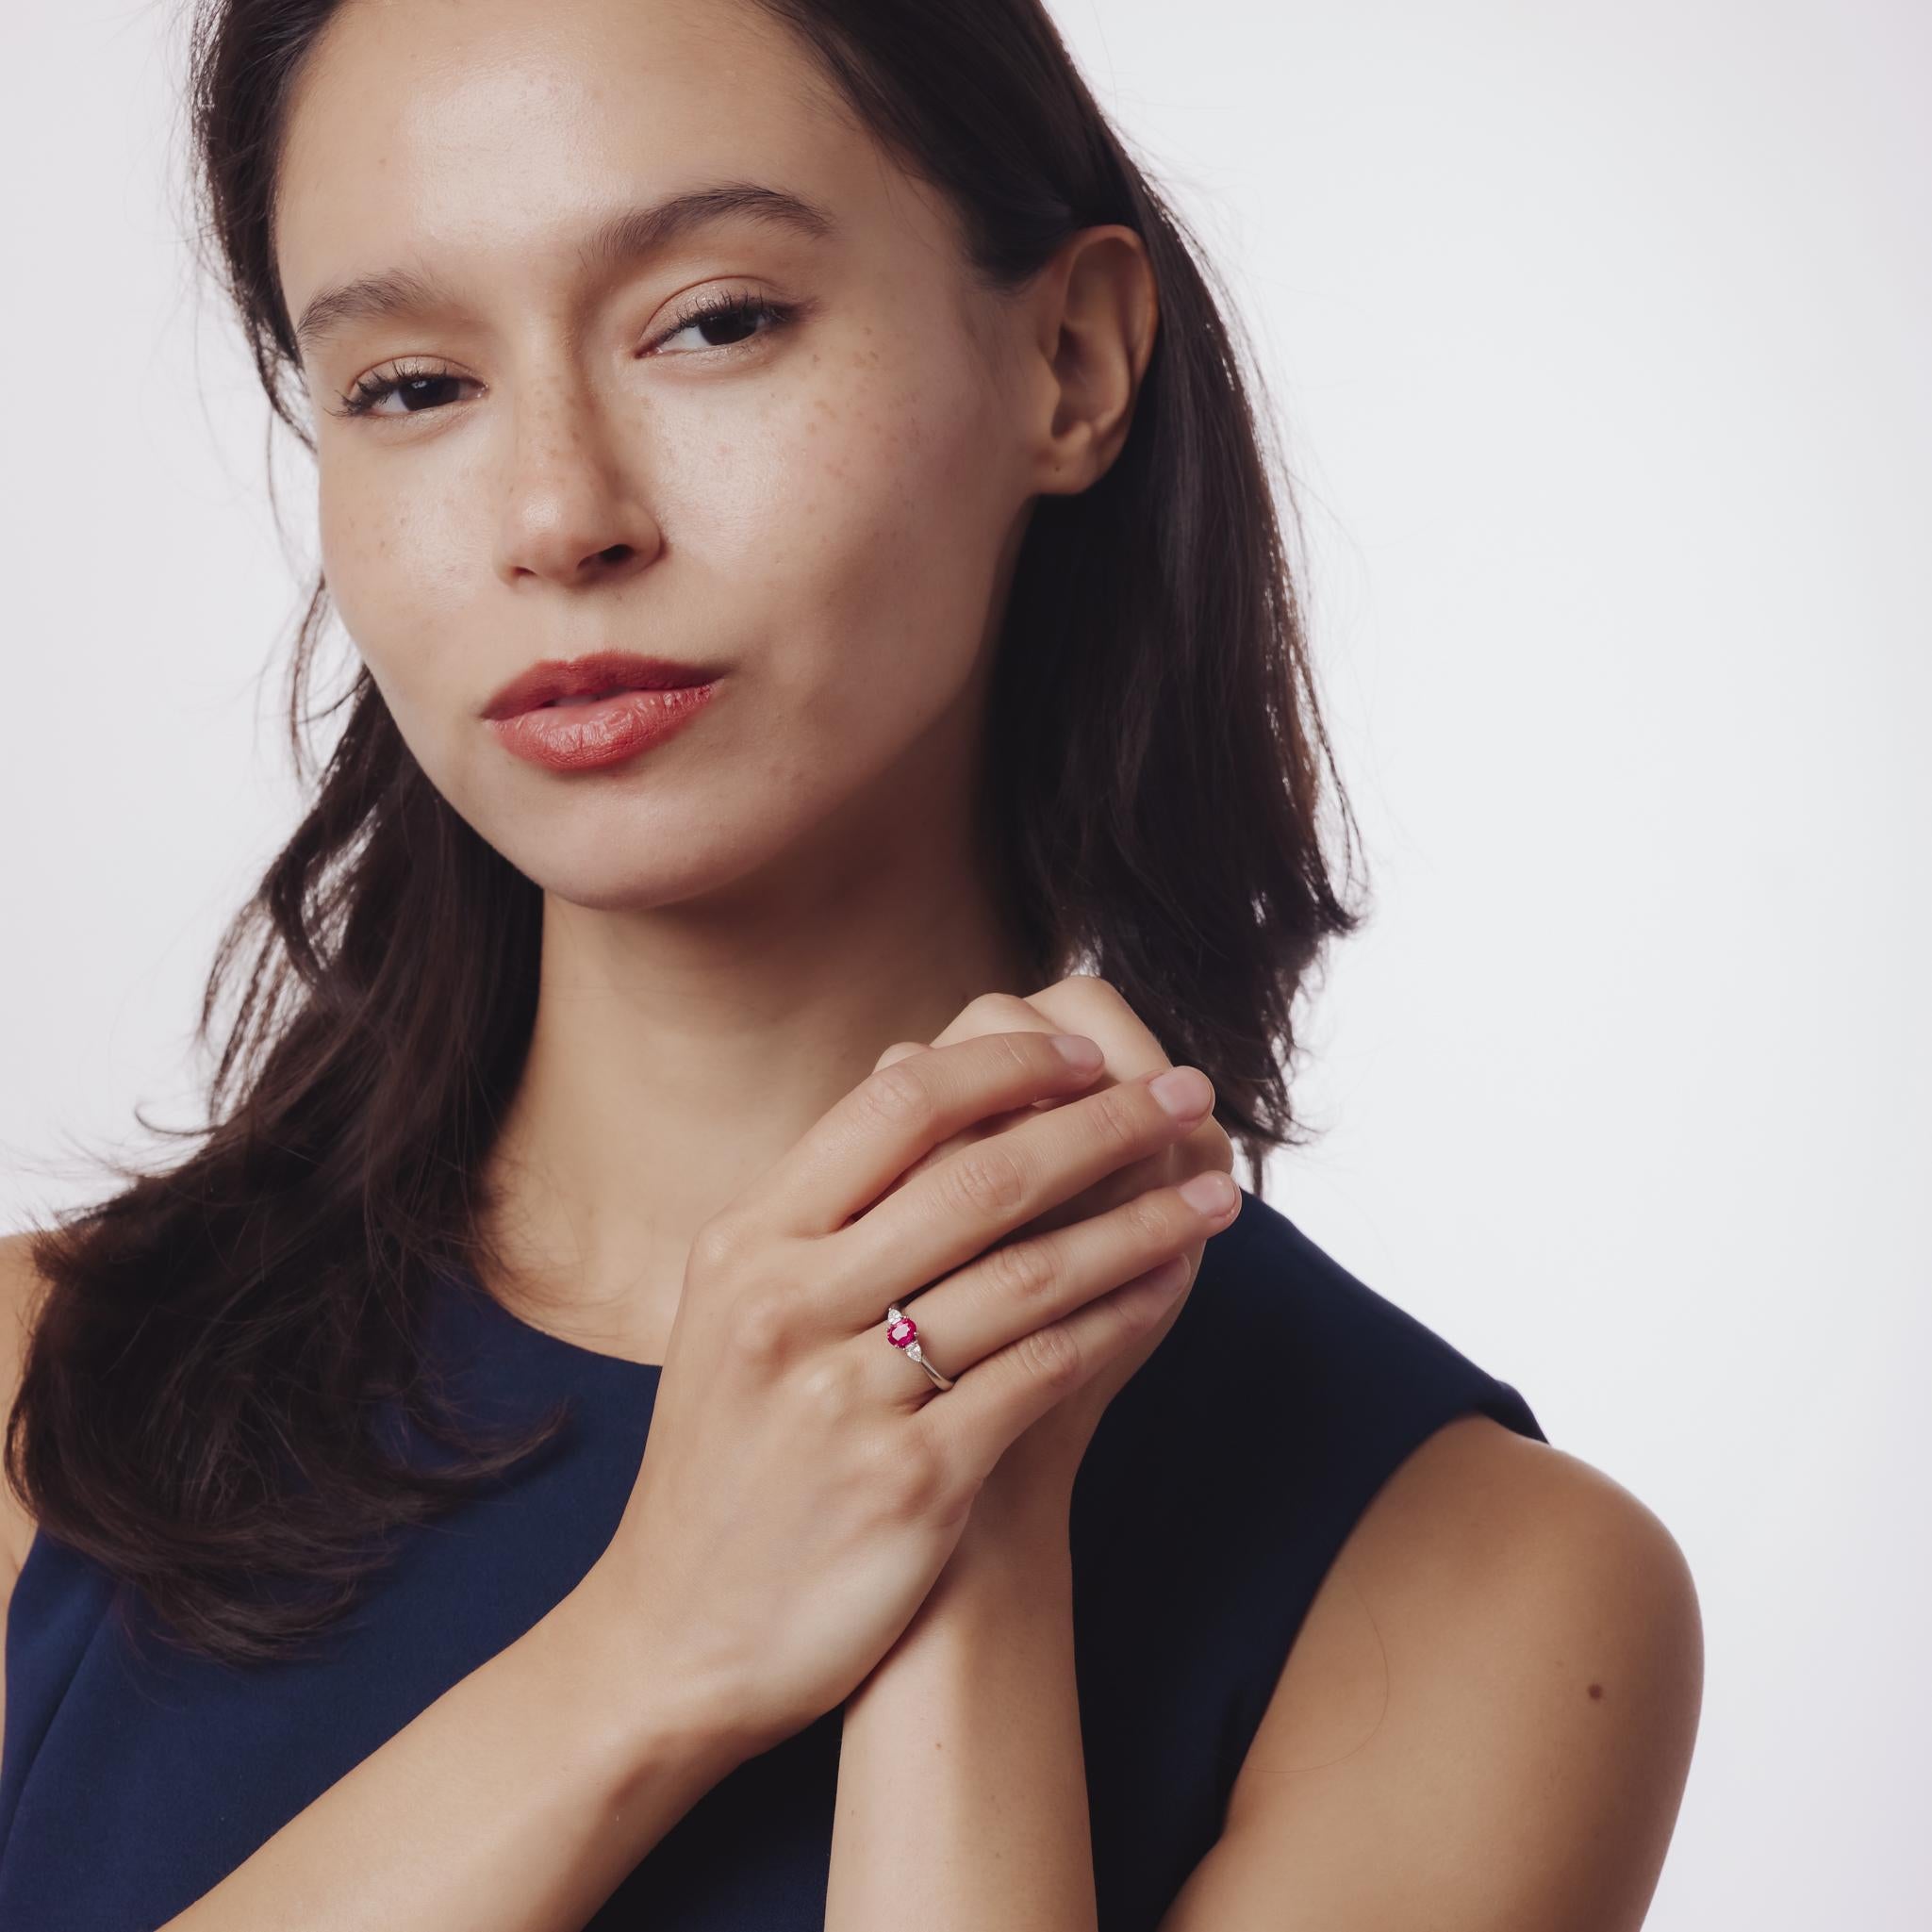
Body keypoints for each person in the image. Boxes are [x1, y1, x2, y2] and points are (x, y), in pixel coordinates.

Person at [0, 0, 1703, 1925]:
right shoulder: (36, 1391)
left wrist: (968, 1564)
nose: (558, 514)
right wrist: (649, 1648)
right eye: (408, 385)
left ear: (1065, 360)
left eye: (712, 319)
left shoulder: (1475, 1589)